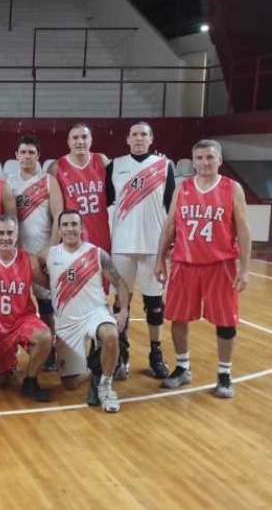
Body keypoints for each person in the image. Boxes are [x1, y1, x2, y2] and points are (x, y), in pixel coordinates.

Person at [155, 139, 251, 398]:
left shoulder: (232, 188)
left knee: (225, 322)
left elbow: (243, 230)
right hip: (184, 264)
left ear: (219, 160)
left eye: (210, 157)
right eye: (199, 158)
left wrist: (244, 269)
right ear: (193, 160)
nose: (205, 163)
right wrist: (159, 259)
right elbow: (169, 226)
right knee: (178, 318)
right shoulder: (183, 188)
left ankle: (224, 374)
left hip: (220, 265)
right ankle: (182, 368)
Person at [37, 210, 129, 413]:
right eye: (66, 225)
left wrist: (123, 311)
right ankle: (95, 366)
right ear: (59, 229)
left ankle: (105, 385)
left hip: (94, 314)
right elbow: (29, 265)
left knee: (111, 334)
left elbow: (120, 283)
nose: (70, 229)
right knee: (70, 383)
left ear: (82, 228)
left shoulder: (96, 253)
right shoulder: (49, 255)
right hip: (67, 323)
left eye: (74, 224)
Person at [106, 122, 176, 380]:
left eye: (143, 134)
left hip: (153, 247)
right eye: (134, 134)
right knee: (120, 302)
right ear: (127, 139)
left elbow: (171, 207)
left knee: (154, 303)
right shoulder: (114, 165)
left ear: (151, 138)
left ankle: (156, 352)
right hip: (122, 245)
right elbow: (106, 204)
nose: (139, 138)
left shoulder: (164, 165)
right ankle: (121, 353)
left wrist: (168, 247)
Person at [0, 215, 53, 401]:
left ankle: (30, 381)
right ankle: (4, 359)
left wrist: (64, 268)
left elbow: (49, 284)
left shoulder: (28, 260)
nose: (5, 237)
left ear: (17, 235)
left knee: (45, 337)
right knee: (0, 381)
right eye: (1, 233)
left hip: (22, 321)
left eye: (10, 233)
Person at [6, 135, 63, 368]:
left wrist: (51, 247)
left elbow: (59, 214)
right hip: (18, 255)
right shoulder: (9, 183)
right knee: (14, 307)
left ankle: (50, 350)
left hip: (41, 253)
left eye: (31, 152)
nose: (27, 156)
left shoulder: (48, 181)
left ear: (38, 156)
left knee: (46, 305)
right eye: (23, 152)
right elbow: (6, 219)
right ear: (16, 155)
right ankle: (10, 353)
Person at [48, 124, 111, 253]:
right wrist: (53, 246)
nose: (80, 141)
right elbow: (55, 212)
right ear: (68, 142)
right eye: (75, 138)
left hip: (101, 234)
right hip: (71, 237)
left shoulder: (101, 160)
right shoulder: (56, 167)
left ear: (91, 140)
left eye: (84, 137)